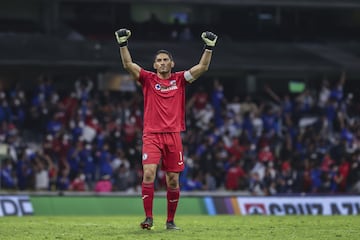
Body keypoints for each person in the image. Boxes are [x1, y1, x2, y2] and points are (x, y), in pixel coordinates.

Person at [114, 28, 218, 230]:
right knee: (149, 174)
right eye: (159, 60)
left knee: (172, 180)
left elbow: (203, 67)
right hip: (151, 135)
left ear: (172, 63)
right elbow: (128, 64)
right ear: (154, 65)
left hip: (173, 136)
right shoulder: (148, 79)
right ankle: (149, 218)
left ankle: (170, 222)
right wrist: (122, 44)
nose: (162, 63)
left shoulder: (180, 79)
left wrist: (209, 47)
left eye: (165, 60)